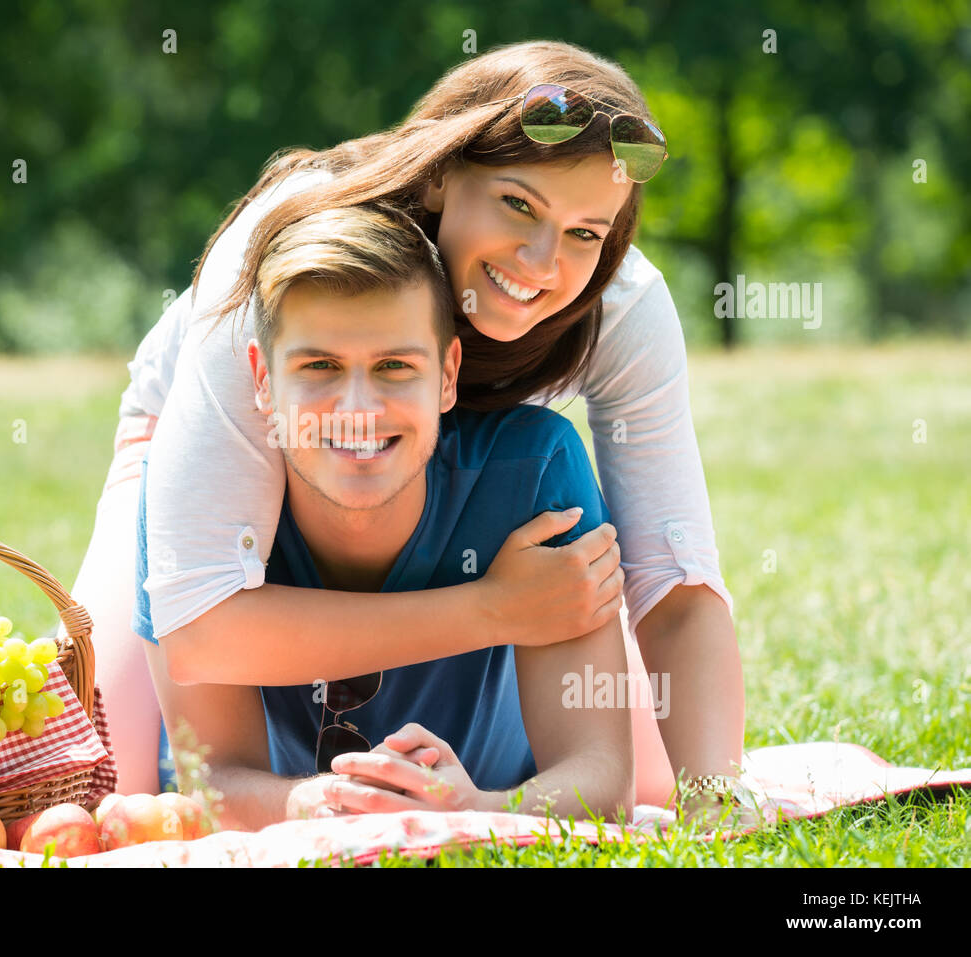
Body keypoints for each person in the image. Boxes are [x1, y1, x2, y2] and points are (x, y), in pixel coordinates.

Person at [65, 40, 743, 815]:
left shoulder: (619, 304)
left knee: (647, 771)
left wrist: (717, 792)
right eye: (517, 204)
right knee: (99, 774)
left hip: (441, 470)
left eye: (586, 231)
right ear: (441, 173)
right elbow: (204, 629)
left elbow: (673, 574)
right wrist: (493, 608)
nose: (540, 259)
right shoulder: (275, 249)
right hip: (244, 437)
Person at [133, 204, 634, 828]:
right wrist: (320, 803)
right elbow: (213, 782)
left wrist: (478, 809)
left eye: (395, 366)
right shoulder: (193, 499)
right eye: (319, 367)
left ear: (448, 375)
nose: (357, 408)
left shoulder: (532, 469)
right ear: (262, 380)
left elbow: (603, 781)